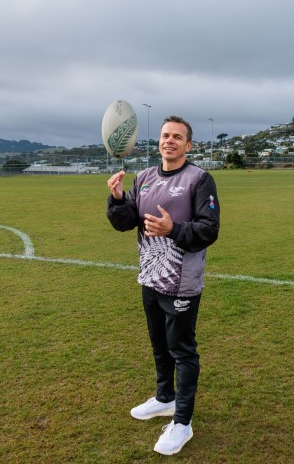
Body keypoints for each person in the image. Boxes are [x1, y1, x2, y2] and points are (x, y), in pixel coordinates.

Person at [106, 115, 220, 455]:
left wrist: (173, 229)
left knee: (182, 350)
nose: (169, 140)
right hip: (149, 278)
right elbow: (126, 222)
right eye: (165, 135)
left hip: (181, 283)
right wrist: (116, 199)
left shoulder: (199, 179)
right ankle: (164, 397)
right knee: (159, 344)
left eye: (177, 137)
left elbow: (208, 230)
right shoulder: (143, 178)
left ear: (188, 145)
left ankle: (182, 422)